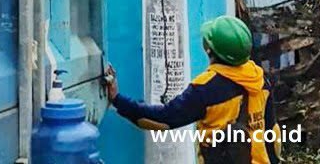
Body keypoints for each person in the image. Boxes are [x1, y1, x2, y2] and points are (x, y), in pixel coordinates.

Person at [106, 15, 281, 163]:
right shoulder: (259, 78)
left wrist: (118, 99)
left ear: (209, 50)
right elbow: (272, 134)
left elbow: (162, 120)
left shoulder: (205, 89)